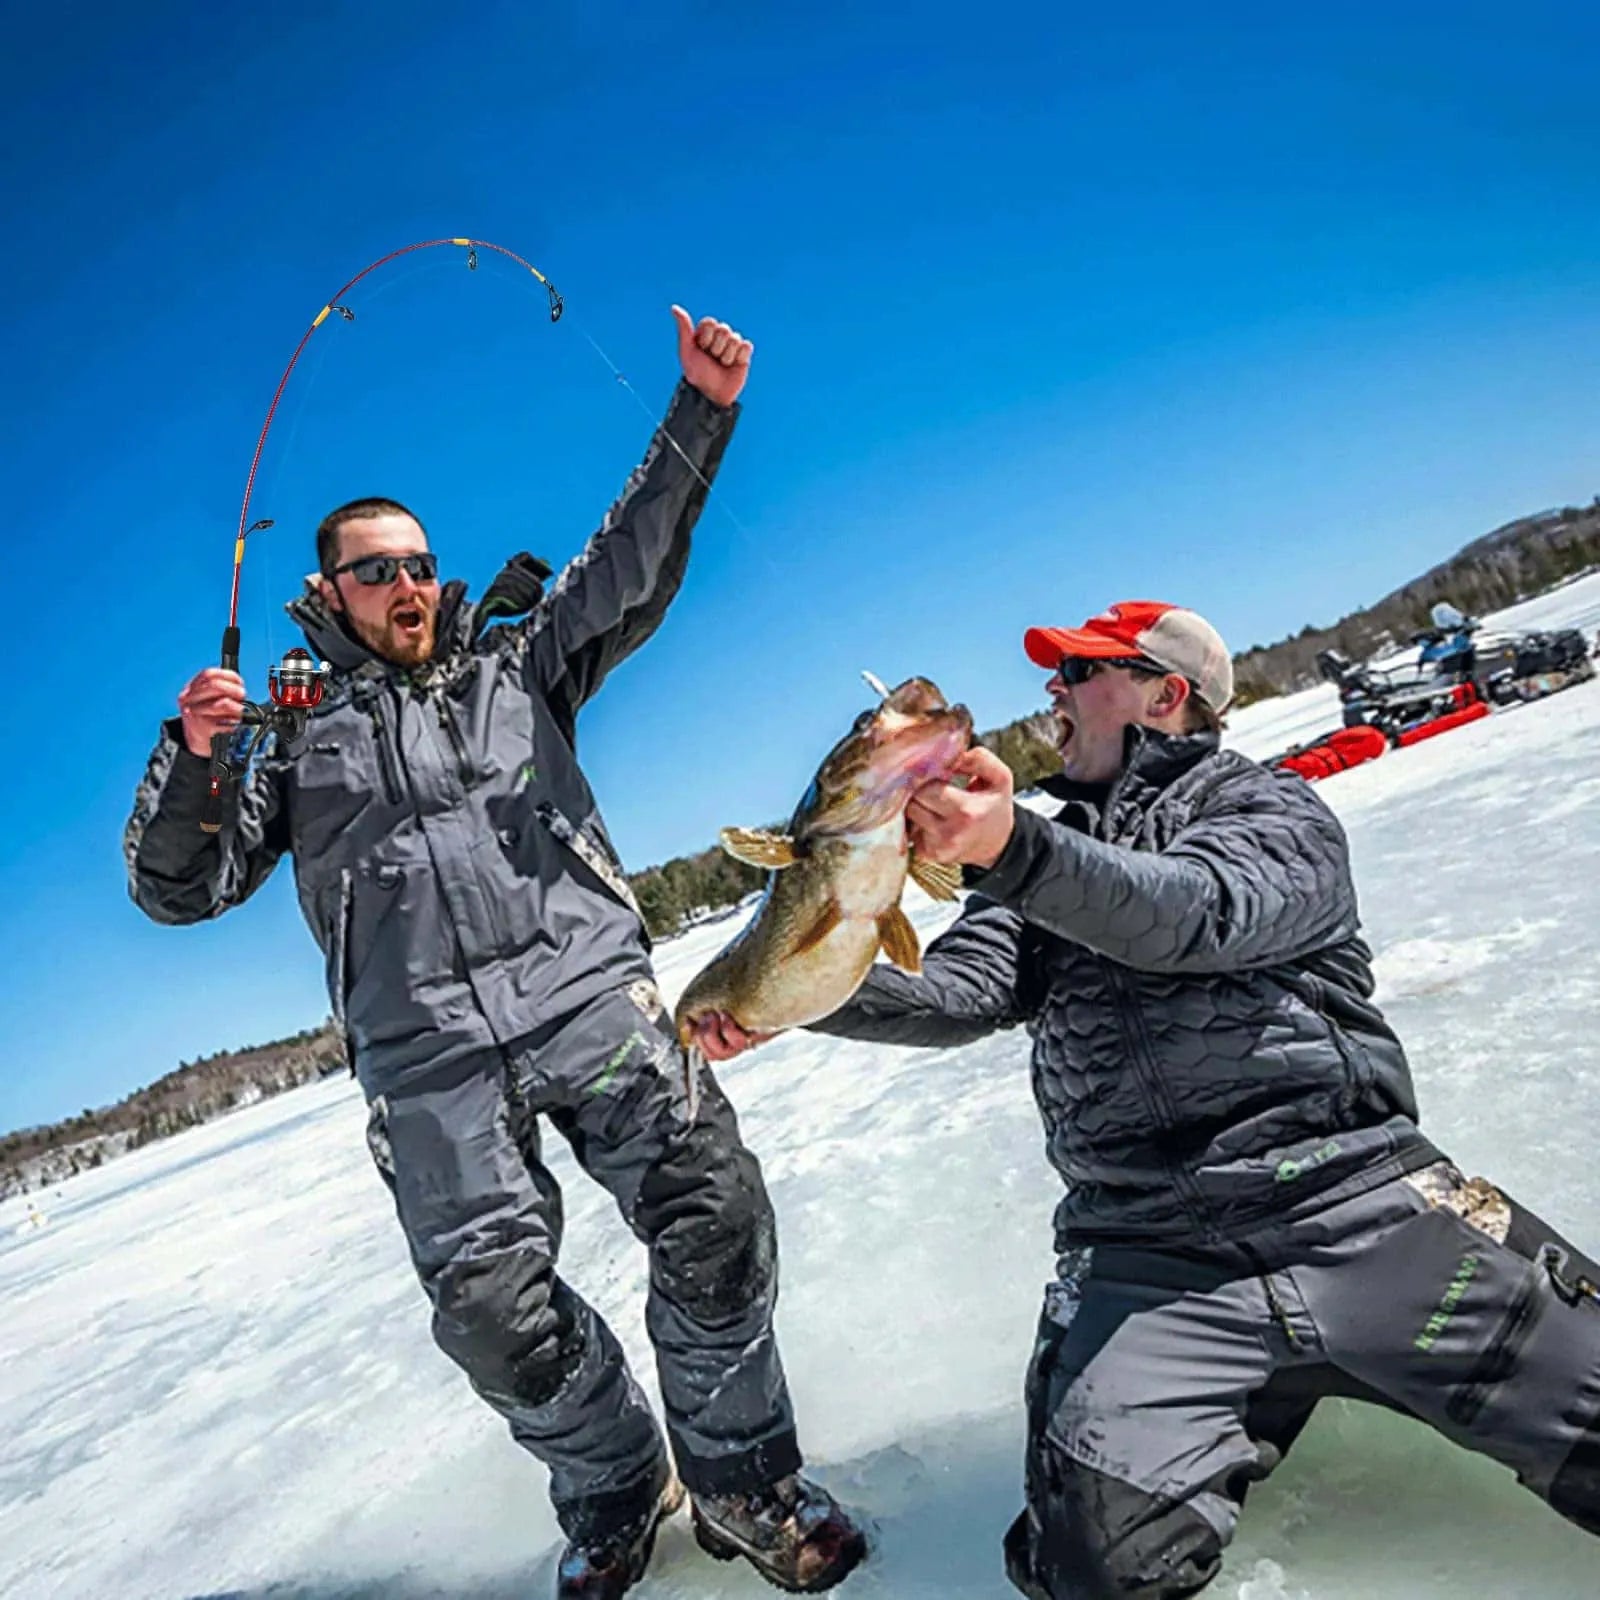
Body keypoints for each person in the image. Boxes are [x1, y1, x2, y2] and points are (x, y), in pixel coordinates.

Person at [123, 307, 866, 1600]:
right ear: (327, 593)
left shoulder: (516, 667)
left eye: (418, 562)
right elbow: (180, 890)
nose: (409, 583)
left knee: (715, 1218)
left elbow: (630, 562)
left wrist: (701, 407)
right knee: (491, 1317)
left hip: (591, 1003)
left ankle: (745, 1480)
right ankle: (622, 1486)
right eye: (377, 570)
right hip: (428, 1067)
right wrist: (193, 759)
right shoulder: (286, 741)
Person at [699, 598, 1600, 1597]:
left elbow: (1189, 914)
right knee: (1085, 1571)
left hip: (1353, 1207)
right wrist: (788, 989)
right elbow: (953, 993)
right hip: (1145, 1255)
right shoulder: (1039, 864)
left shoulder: (1268, 811)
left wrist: (1016, 852)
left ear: (1165, 695)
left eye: (1082, 671)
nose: (1053, 688)